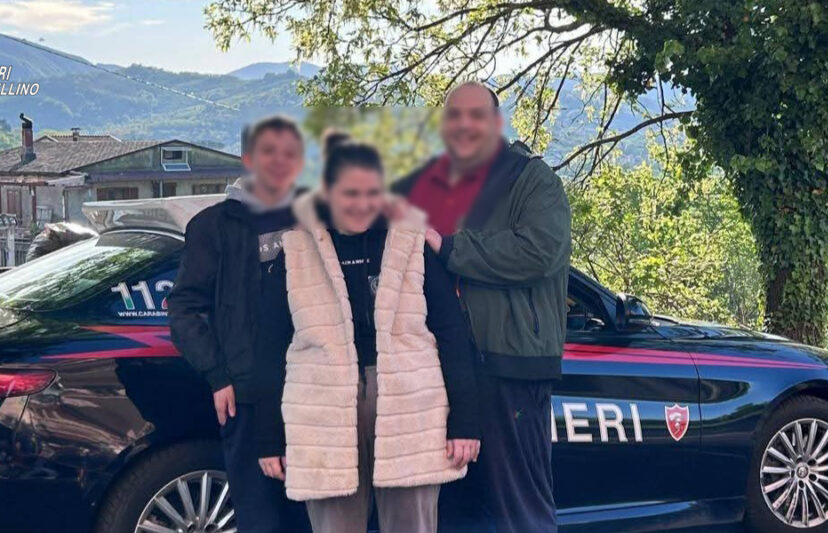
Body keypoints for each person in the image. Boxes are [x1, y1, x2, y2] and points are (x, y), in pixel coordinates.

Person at [253, 136, 481, 533]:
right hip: (322, 411)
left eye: (371, 193)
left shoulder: (411, 243)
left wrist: (465, 419)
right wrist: (268, 435)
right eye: (350, 193)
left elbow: (452, 333)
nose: (361, 204)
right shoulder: (296, 252)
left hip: (410, 407)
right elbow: (269, 347)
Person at [392, 81, 572, 533]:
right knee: (451, 510)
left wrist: (450, 247)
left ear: (496, 122)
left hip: (510, 367)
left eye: (476, 115)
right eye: (454, 116)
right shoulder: (430, 184)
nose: (465, 125)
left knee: (519, 509)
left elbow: (538, 252)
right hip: (439, 369)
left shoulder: (531, 179)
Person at [167, 115, 311, 533]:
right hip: (246, 395)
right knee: (261, 517)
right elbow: (184, 306)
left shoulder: (314, 219)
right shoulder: (213, 225)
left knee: (312, 516)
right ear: (248, 159)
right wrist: (218, 375)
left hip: (311, 390)